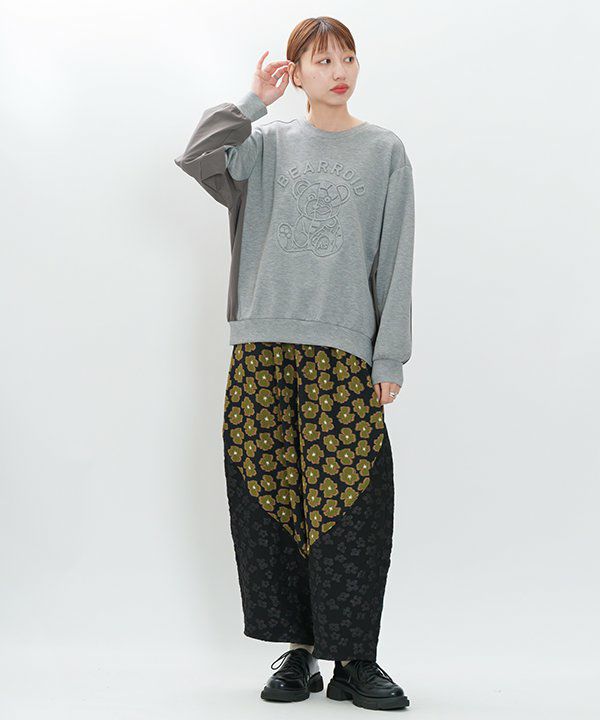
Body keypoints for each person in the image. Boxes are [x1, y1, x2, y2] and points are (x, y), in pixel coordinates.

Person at [174, 15, 415, 712]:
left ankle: (355, 660)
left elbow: (396, 257)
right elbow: (198, 156)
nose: (339, 71)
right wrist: (253, 101)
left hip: (343, 353)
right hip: (262, 349)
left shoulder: (384, 151)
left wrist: (389, 355)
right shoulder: (265, 144)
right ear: (297, 71)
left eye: (348, 58)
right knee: (272, 499)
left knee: (353, 506)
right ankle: (300, 652)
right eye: (322, 60)